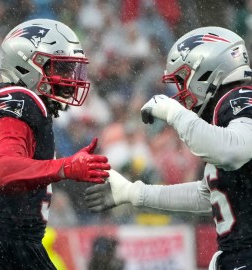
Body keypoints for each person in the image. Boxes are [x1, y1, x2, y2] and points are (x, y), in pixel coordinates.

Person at [85, 26, 252, 270]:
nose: (180, 93)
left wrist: (174, 113)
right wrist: (134, 193)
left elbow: (233, 151)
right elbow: (210, 195)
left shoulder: (240, 99)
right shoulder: (227, 109)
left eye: (183, 80)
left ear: (206, 71)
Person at [0, 18, 111, 269]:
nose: (69, 77)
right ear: (27, 65)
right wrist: (65, 167)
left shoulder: (25, 103)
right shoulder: (20, 100)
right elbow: (2, 170)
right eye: (61, 68)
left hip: (7, 243)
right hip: (0, 246)